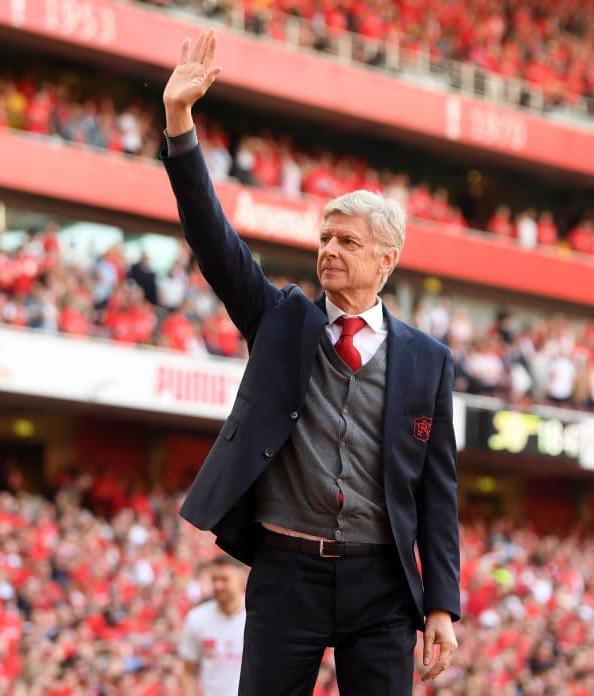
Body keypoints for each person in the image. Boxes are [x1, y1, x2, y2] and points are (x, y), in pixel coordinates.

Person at [161, 30, 460, 696]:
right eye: (325, 237)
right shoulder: (281, 319)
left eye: (348, 241)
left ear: (386, 260)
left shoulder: (429, 361)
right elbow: (213, 239)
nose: (329, 250)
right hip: (286, 569)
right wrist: (180, 123)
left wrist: (441, 604)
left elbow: (436, 493)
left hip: (382, 582)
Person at [179, 555, 248, 696]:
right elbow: (188, 672)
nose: (217, 585)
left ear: (242, 579)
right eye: (214, 579)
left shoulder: (256, 618)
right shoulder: (197, 617)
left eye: (224, 579)